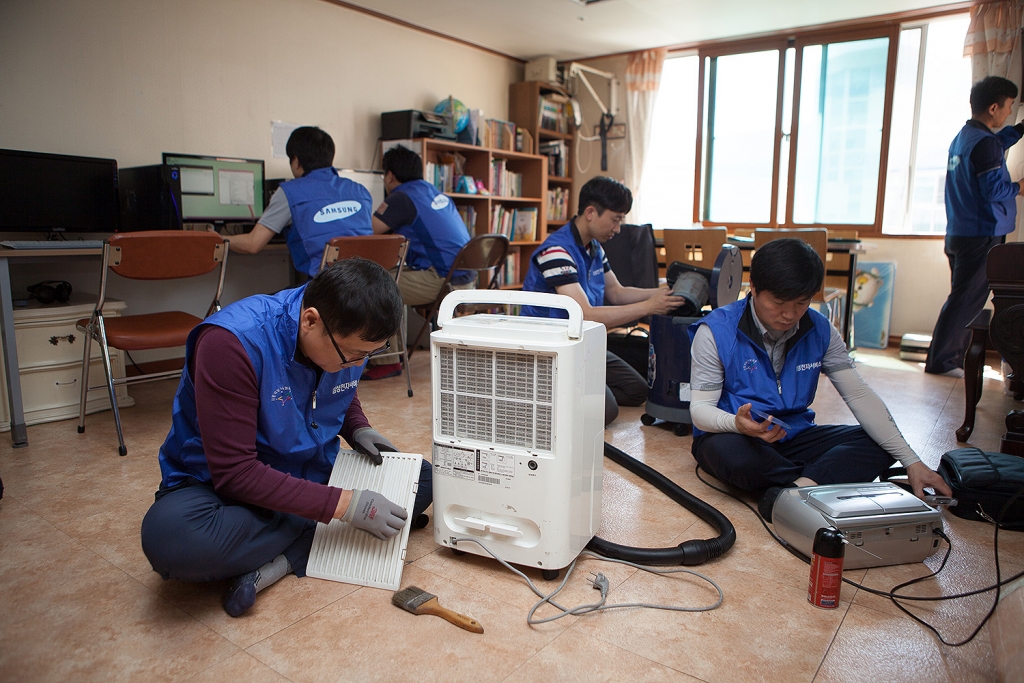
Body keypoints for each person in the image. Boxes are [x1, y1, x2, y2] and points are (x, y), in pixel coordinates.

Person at [140, 258, 432, 618]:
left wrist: (357, 427)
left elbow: (336, 383)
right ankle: (312, 540)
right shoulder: (230, 343)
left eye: (370, 354)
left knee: (424, 478)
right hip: (220, 486)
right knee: (171, 539)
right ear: (310, 321)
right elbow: (235, 473)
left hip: (309, 471)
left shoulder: (337, 335)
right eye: (354, 355)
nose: (359, 365)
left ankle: (278, 560)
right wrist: (345, 505)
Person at [688, 239, 952, 520]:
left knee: (880, 441)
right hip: (736, 435)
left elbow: (859, 394)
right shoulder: (716, 330)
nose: (789, 314)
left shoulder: (820, 329)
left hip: (794, 435)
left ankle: (795, 490)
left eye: (802, 303)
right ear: (752, 287)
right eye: (778, 303)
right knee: (735, 459)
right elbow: (700, 411)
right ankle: (819, 480)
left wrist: (911, 461)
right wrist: (737, 424)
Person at [520, 176, 685, 426]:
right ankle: (551, 394)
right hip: (552, 349)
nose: (618, 229)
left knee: (638, 391)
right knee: (606, 411)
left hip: (582, 343)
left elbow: (617, 292)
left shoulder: (594, 247)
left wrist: (661, 292)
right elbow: (584, 314)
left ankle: (574, 392)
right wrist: (648, 307)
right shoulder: (556, 252)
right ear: (590, 213)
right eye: (615, 219)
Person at [926, 76, 1024, 377]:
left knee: (962, 299)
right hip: (981, 234)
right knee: (966, 301)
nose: (1009, 112)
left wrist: (1019, 130)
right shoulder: (985, 144)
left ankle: (948, 359)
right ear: (994, 108)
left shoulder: (965, 137)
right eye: (1008, 106)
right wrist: (1020, 186)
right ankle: (943, 362)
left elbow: (996, 144)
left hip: (960, 232)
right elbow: (993, 190)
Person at [368, 144, 473, 379]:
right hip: (465, 279)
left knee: (376, 285)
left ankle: (387, 361)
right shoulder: (435, 192)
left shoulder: (401, 198)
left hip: (443, 281)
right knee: (390, 275)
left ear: (390, 175)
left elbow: (368, 231)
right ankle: (393, 354)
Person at [226, 126, 373, 278]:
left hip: (327, 287)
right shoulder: (361, 191)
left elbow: (252, 244)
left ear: (296, 160)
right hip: (368, 284)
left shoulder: (290, 192)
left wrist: (219, 239)